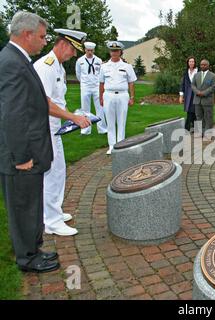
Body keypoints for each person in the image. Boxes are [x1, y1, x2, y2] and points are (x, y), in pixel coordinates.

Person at [0, 12, 88, 273]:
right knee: (23, 205)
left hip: (36, 139)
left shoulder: (20, 60)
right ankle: (28, 257)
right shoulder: (15, 63)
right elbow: (12, 115)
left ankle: (34, 248)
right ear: (26, 34)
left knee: (34, 197)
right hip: (24, 148)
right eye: (40, 36)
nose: (43, 41)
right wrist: (21, 156)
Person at [34, 28, 91, 237]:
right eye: (73, 50)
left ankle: (53, 212)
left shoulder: (58, 67)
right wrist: (73, 117)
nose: (74, 55)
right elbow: (44, 102)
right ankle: (51, 221)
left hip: (54, 125)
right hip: (44, 125)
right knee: (52, 173)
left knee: (57, 171)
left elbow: (58, 100)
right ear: (63, 44)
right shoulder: (46, 67)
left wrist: (71, 115)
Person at [99, 41, 137, 155]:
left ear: (120, 52)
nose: (114, 52)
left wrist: (132, 97)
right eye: (112, 50)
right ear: (110, 52)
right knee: (110, 122)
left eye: (116, 50)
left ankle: (120, 145)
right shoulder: (104, 66)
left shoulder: (127, 66)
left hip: (122, 95)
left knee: (121, 121)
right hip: (108, 95)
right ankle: (111, 146)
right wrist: (101, 97)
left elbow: (131, 83)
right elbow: (101, 83)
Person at [75, 41, 107, 135]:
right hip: (85, 86)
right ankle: (85, 130)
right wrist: (84, 83)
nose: (90, 52)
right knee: (85, 109)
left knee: (100, 108)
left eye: (92, 50)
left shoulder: (98, 60)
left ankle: (102, 129)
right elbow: (78, 74)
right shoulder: (80, 61)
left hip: (96, 86)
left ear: (94, 50)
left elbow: (101, 74)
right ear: (85, 50)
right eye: (88, 50)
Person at [191, 59, 215, 141]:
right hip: (197, 100)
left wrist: (204, 93)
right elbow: (192, 85)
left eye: (204, 65)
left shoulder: (213, 76)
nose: (202, 66)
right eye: (201, 65)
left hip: (207, 100)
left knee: (208, 118)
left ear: (208, 66)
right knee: (198, 117)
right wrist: (197, 92)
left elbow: (213, 87)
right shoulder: (196, 75)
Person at [179, 56, 197, 133]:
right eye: (190, 61)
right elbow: (182, 84)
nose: (191, 63)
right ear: (188, 63)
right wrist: (181, 95)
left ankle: (188, 128)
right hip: (188, 95)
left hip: (197, 94)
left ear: (195, 63)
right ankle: (192, 128)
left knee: (195, 111)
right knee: (190, 111)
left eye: (193, 61)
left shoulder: (198, 71)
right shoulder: (185, 72)